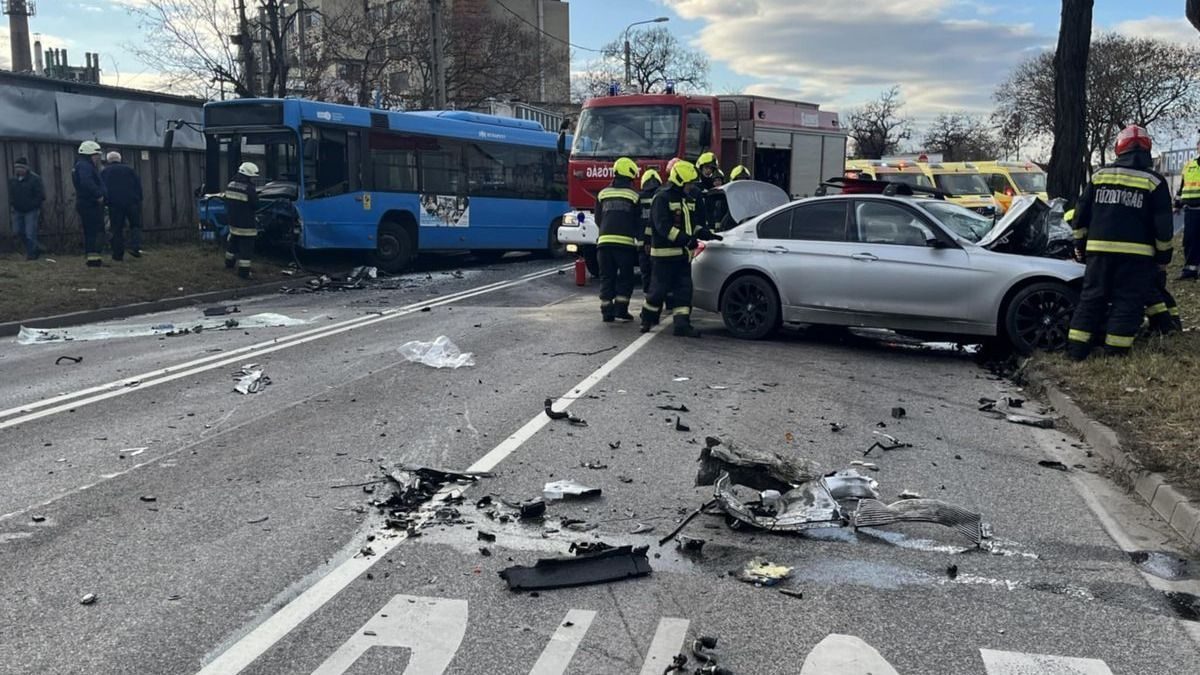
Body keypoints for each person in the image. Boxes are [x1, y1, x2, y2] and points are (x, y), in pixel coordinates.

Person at [1066, 125, 1174, 360]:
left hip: (1098, 253)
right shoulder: (1154, 182)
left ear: (1119, 148)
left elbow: (1080, 216)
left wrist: (1080, 246)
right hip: (1137, 257)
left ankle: (1076, 350)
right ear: (1147, 149)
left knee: (1091, 299)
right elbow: (1163, 227)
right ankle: (1115, 352)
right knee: (1128, 301)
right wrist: (1163, 258)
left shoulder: (1099, 176)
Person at [639, 160, 721, 337]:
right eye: (689, 183)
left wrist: (707, 234)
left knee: (684, 292)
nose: (691, 187)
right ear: (679, 181)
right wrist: (687, 240)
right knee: (657, 291)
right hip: (663, 256)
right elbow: (663, 227)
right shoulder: (662, 198)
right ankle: (647, 319)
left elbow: (692, 226)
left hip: (683, 256)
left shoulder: (687, 199)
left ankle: (682, 325)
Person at [595, 157, 643, 323]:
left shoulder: (602, 194)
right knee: (625, 277)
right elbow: (639, 221)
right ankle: (621, 310)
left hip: (603, 244)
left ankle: (606, 312)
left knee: (606, 277)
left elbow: (598, 219)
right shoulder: (634, 196)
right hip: (624, 246)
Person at [101, 151, 144, 261]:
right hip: (132, 202)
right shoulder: (130, 170)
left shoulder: (105, 171)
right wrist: (139, 199)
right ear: (119, 159)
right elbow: (138, 185)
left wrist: (105, 202)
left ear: (108, 160)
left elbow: (102, 187)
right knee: (135, 225)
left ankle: (118, 254)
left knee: (117, 229)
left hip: (115, 204)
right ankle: (136, 247)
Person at [72, 141, 107, 267]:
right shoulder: (85, 166)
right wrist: (98, 194)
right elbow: (87, 182)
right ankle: (93, 259)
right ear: (89, 154)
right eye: (96, 154)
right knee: (94, 231)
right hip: (90, 203)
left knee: (91, 231)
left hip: (86, 202)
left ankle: (93, 257)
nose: (97, 157)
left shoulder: (80, 165)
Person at [224, 162, 259, 279]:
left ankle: (229, 264)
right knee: (246, 250)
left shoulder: (231, 184)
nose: (253, 180)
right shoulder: (249, 188)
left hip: (233, 222)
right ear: (248, 176)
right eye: (252, 177)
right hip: (246, 225)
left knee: (232, 243)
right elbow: (255, 205)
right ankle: (244, 273)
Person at [8, 157, 45, 261]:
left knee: (30, 232)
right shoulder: (13, 180)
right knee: (18, 231)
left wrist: (33, 205)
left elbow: (40, 195)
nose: (19, 170)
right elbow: (11, 194)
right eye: (17, 167)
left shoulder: (35, 179)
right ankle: (36, 248)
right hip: (18, 210)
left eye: (21, 167)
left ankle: (31, 254)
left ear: (26, 168)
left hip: (31, 210)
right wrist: (13, 204)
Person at [1175, 140, 1200, 280]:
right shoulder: (1189, 165)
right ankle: (1190, 269)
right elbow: (1182, 186)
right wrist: (1177, 204)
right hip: (1190, 209)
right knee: (1190, 240)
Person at [637, 168, 663, 294]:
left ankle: (648, 296)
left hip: (642, 243)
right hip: (660, 243)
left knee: (646, 272)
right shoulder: (662, 196)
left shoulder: (638, 198)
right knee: (660, 274)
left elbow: (634, 220)